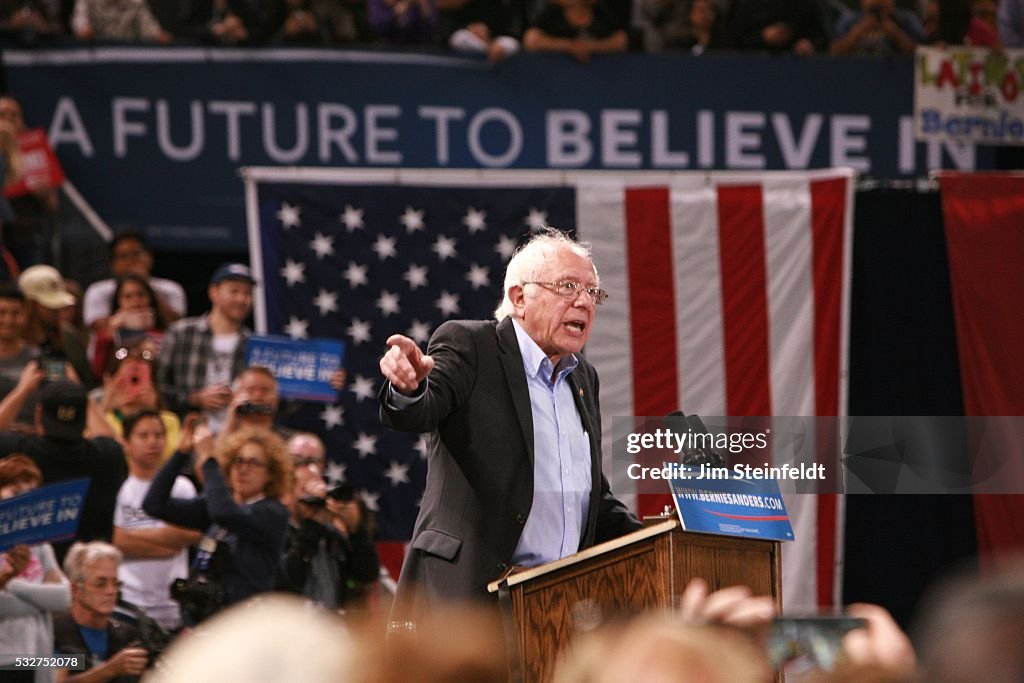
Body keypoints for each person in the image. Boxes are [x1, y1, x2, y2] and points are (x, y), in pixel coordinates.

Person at [378, 230, 641, 612]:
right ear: (520, 298)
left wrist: (669, 538)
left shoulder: (584, 377)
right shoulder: (471, 345)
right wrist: (409, 387)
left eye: (592, 292)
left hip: (557, 603)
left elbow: (592, 501)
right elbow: (420, 410)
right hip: (469, 599)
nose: (584, 301)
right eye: (568, 287)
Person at [142, 425, 291, 621]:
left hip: (241, 624)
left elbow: (226, 514)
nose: (243, 469)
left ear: (271, 473)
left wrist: (209, 461)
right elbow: (154, 504)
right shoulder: (215, 506)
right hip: (200, 620)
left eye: (254, 463)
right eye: (238, 461)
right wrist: (181, 453)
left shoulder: (272, 512)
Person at [0, 376, 126, 563]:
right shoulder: (108, 456)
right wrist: (82, 395)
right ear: (84, 419)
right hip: (88, 573)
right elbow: (108, 437)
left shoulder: (19, 451)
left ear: (39, 414)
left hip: (28, 575)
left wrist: (23, 389)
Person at [112, 410, 200, 631]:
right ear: (126, 443)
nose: (153, 442)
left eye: (159, 435)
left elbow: (192, 535)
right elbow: (116, 542)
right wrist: (168, 541)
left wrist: (132, 538)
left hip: (175, 601)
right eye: (143, 436)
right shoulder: (119, 489)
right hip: (130, 601)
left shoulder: (182, 487)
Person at [280, 432, 380, 610]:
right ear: (287, 491)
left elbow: (367, 574)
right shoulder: (275, 528)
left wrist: (356, 530)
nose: (311, 498)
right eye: (304, 489)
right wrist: (311, 525)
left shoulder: (331, 533)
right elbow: (291, 579)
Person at [0, 454, 72, 683]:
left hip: (38, 658)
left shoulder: (41, 544)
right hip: (4, 660)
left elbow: (64, 598)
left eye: (31, 495)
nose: (25, 502)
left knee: (76, 660)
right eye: (16, 493)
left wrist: (10, 583)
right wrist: (41, 596)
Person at [156, 263, 254, 430]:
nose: (241, 299)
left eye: (247, 293)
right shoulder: (181, 333)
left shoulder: (254, 344)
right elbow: (157, 387)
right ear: (213, 292)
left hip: (238, 438)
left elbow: (273, 399)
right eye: (234, 291)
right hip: (188, 433)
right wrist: (194, 398)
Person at [52, 542, 149, 683]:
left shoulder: (128, 636)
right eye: (100, 584)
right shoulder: (51, 633)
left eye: (115, 583)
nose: (110, 591)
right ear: (75, 589)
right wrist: (109, 670)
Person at [83, 233, 185, 340]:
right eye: (124, 256)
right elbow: (97, 328)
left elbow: (176, 326)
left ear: (149, 257)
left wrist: (146, 286)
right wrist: (124, 320)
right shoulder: (98, 290)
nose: (131, 261)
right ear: (113, 264)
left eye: (136, 254)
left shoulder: (171, 288)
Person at [18, 265, 95, 389]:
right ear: (29, 304)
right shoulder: (11, 340)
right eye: (48, 305)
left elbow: (86, 383)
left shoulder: (67, 336)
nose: (56, 309)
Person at [91, 274, 169, 379]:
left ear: (150, 298)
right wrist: (109, 333)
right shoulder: (107, 336)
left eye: (141, 295)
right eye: (128, 296)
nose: (135, 301)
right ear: (119, 301)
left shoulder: (165, 334)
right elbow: (98, 371)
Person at [830, 0, 924, 56]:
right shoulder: (848, 20)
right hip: (854, 72)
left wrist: (895, 33)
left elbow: (922, 54)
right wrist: (858, 31)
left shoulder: (906, 19)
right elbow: (834, 51)